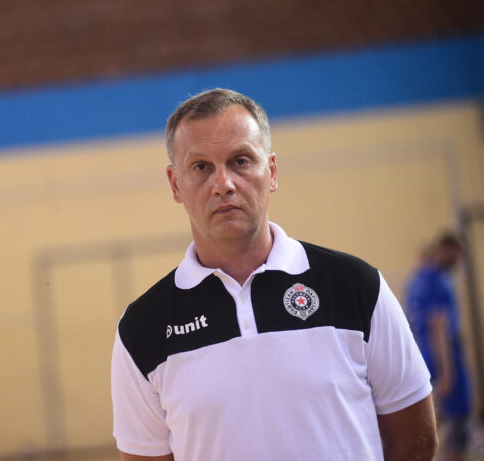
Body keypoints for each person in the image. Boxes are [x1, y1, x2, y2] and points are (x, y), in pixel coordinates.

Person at [110, 88, 437, 460]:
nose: (223, 184)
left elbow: (416, 442)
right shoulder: (142, 328)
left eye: (240, 161)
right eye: (201, 167)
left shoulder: (357, 287)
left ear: (272, 172)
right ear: (175, 185)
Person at [406, 233, 471, 461]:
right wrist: (448, 373)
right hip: (443, 361)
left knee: (435, 429)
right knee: (456, 429)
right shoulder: (439, 282)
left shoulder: (415, 282)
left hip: (424, 360)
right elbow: (438, 326)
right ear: (445, 250)